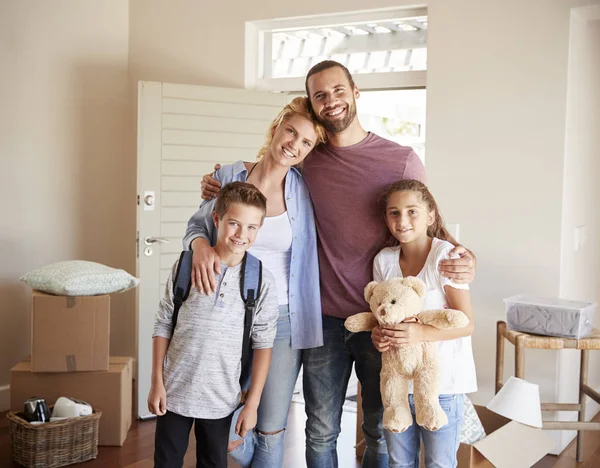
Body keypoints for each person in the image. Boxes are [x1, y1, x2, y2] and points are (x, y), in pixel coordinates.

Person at [200, 61, 476, 468]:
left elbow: (425, 217)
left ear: (355, 91)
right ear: (312, 102)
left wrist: (465, 257)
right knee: (321, 429)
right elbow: (270, 168)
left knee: (382, 429)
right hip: (322, 317)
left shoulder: (400, 160)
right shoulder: (311, 157)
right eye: (320, 95)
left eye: (337, 90)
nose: (331, 101)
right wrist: (221, 181)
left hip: (382, 321)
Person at [183, 97, 327, 467]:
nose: (294, 144)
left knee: (270, 425)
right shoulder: (230, 175)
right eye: (291, 131)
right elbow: (199, 225)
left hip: (281, 319)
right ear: (276, 128)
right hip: (226, 313)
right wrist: (199, 246)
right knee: (220, 418)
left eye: (306, 142)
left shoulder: (305, 191)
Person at [149, 182, 279, 468]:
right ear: (217, 219)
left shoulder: (261, 281)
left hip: (221, 399)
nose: (242, 235)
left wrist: (252, 404)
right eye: (234, 223)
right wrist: (156, 382)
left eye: (251, 227)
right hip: (174, 392)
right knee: (166, 462)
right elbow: (163, 325)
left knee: (213, 462)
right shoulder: (185, 267)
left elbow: (263, 344)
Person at [371, 179, 476, 468]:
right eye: (394, 212)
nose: (402, 220)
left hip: (442, 386)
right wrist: (378, 336)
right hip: (398, 388)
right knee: (399, 463)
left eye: (412, 211)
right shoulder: (384, 261)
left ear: (430, 216)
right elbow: (382, 315)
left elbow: (466, 325)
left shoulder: (446, 257)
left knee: (439, 464)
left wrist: (419, 332)